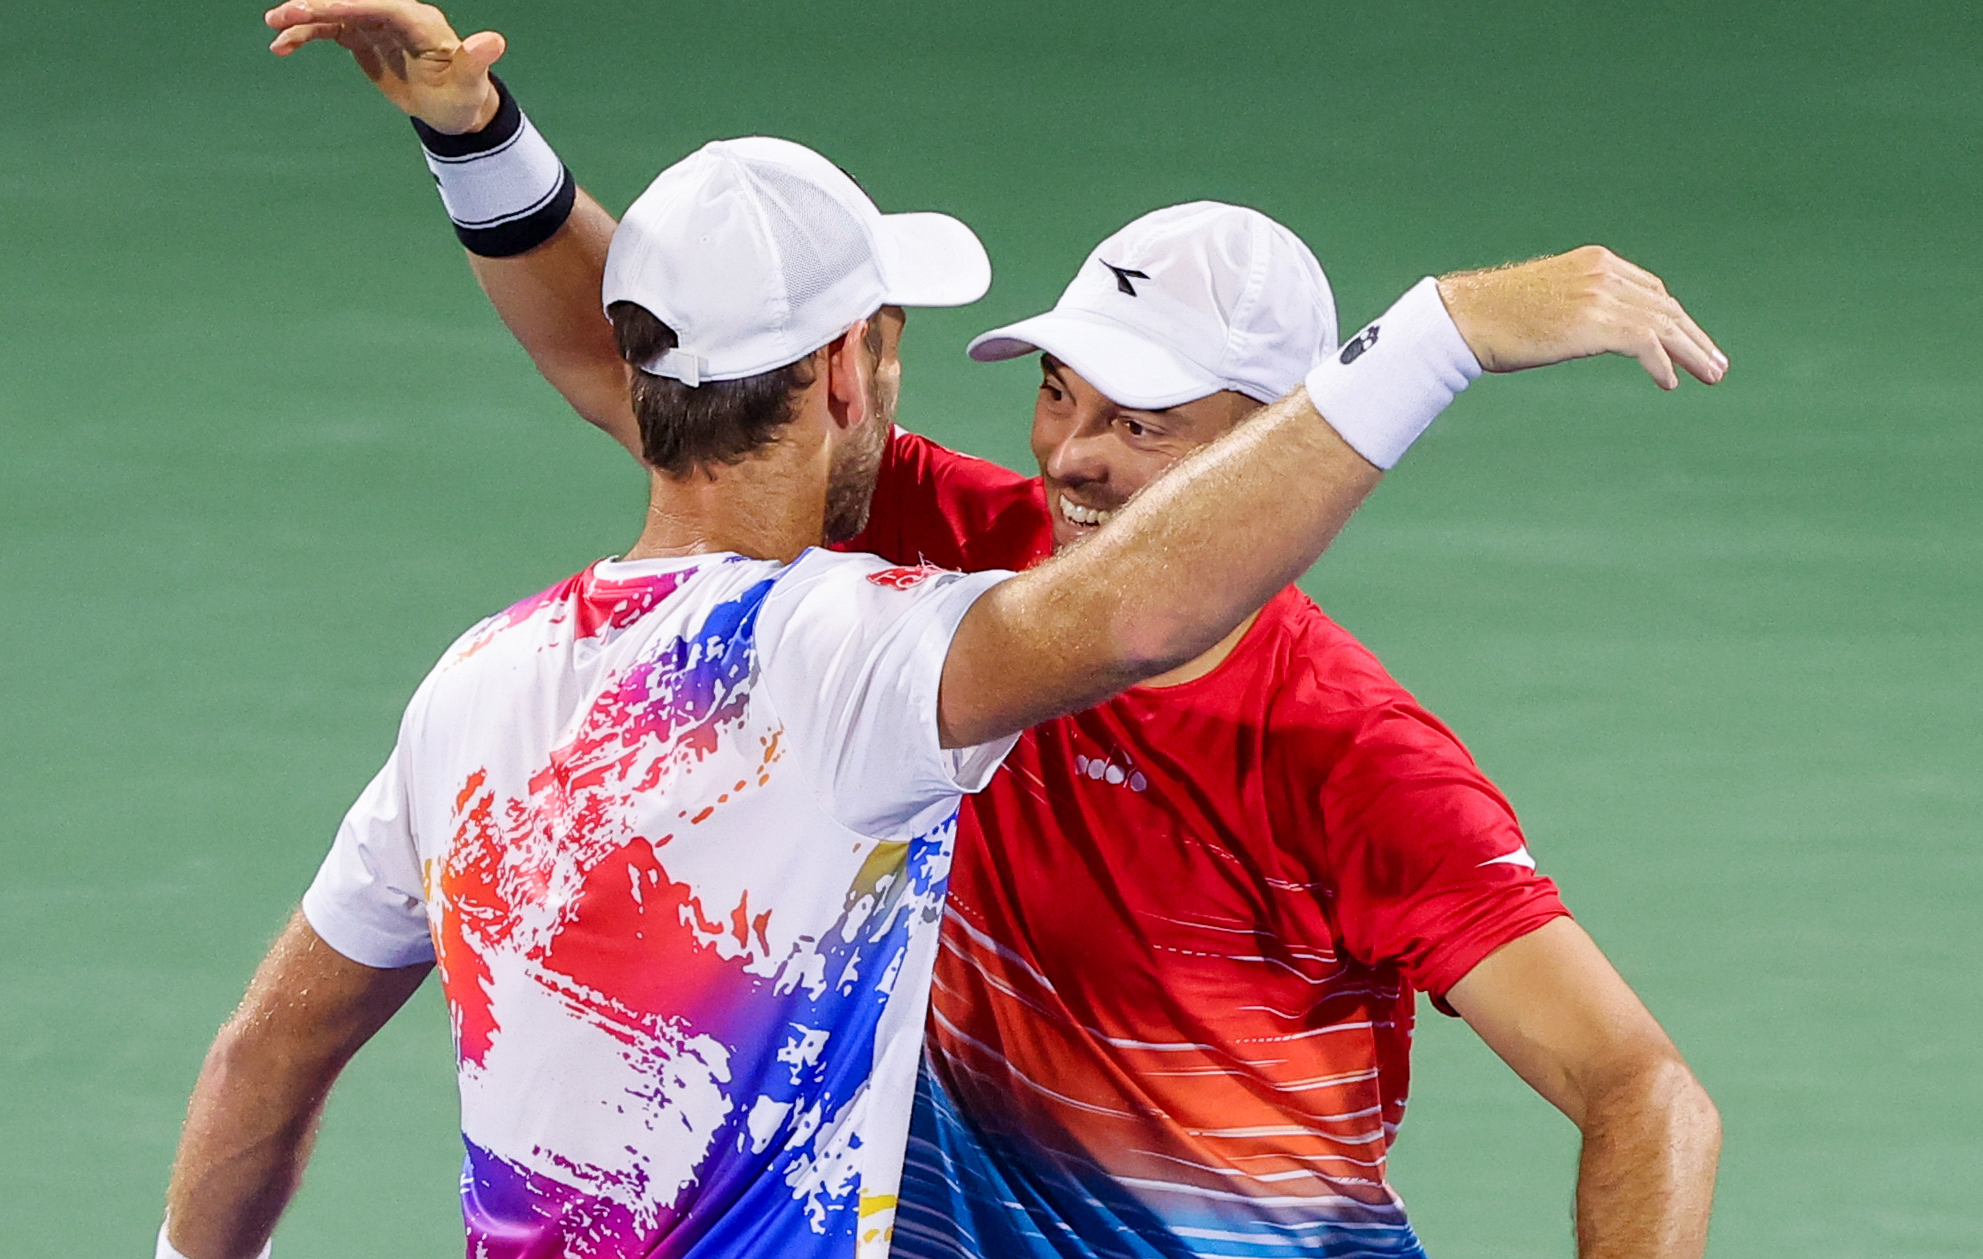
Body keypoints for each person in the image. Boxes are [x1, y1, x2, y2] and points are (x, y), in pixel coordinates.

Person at [162, 7, 1726, 1259]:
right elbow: (683, 385)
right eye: (1059, 392)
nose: (1071, 458)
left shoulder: (1347, 756)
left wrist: (1436, 334)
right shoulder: (943, 573)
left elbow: (1644, 1094)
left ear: (1275, 447)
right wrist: (481, 144)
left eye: (1146, 422)